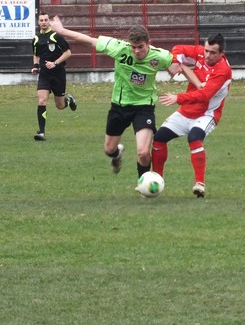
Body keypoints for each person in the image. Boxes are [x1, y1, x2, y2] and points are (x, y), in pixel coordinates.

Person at [49, 15, 175, 178]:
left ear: (148, 43)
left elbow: (178, 59)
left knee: (143, 152)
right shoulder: (119, 48)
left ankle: (142, 183)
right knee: (109, 149)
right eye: (133, 47)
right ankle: (116, 154)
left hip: (144, 107)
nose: (136, 51)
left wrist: (176, 67)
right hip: (119, 106)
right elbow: (90, 41)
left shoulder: (160, 56)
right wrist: (62, 31)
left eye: (140, 47)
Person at [152, 34, 232, 198]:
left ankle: (199, 184)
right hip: (187, 111)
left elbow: (204, 95)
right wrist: (175, 61)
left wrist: (178, 98)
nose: (207, 55)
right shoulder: (200, 52)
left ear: (222, 53)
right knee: (159, 138)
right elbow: (178, 49)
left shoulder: (223, 71)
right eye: (206, 50)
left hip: (207, 114)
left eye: (213, 53)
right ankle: (157, 181)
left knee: (194, 137)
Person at [31, 13, 77, 141]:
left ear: (49, 21)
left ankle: (69, 100)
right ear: (38, 22)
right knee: (42, 100)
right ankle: (41, 132)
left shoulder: (56, 36)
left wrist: (55, 63)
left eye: (46, 20)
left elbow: (68, 53)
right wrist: (35, 66)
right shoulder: (36, 39)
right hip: (44, 75)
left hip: (58, 74)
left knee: (60, 106)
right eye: (41, 20)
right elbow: (36, 54)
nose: (44, 22)